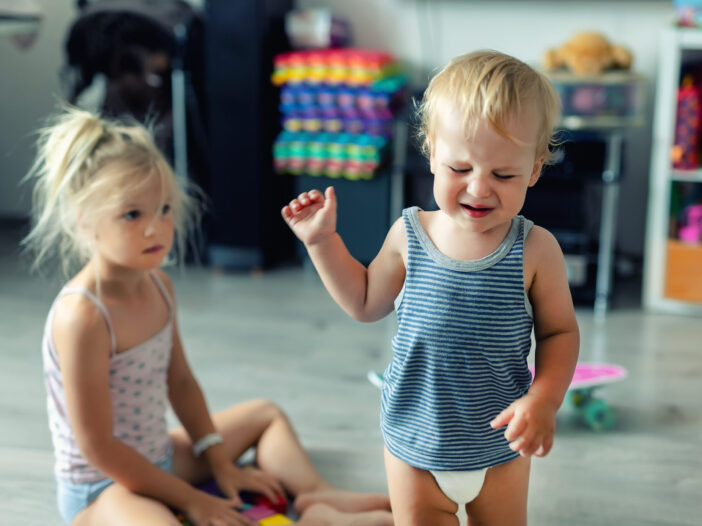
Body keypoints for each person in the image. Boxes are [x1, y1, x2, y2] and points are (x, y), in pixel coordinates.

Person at [25, 106, 394, 526]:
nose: (156, 228)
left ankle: (315, 497)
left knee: (266, 415)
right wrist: (190, 499)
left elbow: (180, 382)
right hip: (104, 486)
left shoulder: (159, 287)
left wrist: (221, 463)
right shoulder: (82, 317)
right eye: (132, 214)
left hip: (158, 455)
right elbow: (99, 449)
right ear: (85, 221)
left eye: (163, 209)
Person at [281, 50, 580, 526]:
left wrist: (544, 400)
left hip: (498, 446)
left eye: (503, 174)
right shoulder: (409, 234)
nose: (479, 189)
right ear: (432, 154)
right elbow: (363, 302)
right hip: (414, 444)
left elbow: (560, 333)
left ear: (536, 170)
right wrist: (322, 242)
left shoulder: (537, 250)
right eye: (460, 169)